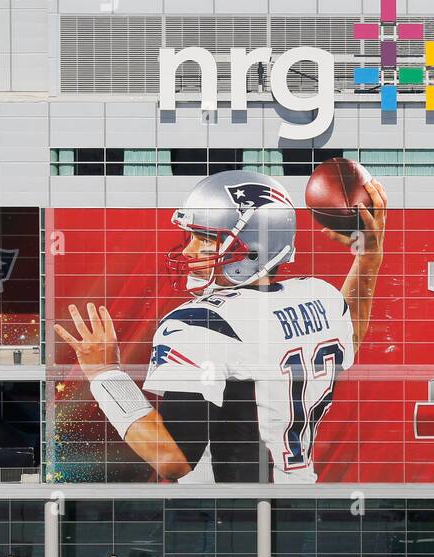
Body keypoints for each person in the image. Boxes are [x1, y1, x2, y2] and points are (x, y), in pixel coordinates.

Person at [56, 169, 387, 483]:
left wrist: (105, 374)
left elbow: (172, 459)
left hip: (226, 513)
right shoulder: (318, 296)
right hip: (302, 505)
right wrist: (369, 257)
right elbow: (351, 333)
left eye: (205, 239)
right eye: (191, 236)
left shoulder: (200, 324)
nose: (189, 251)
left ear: (252, 249)